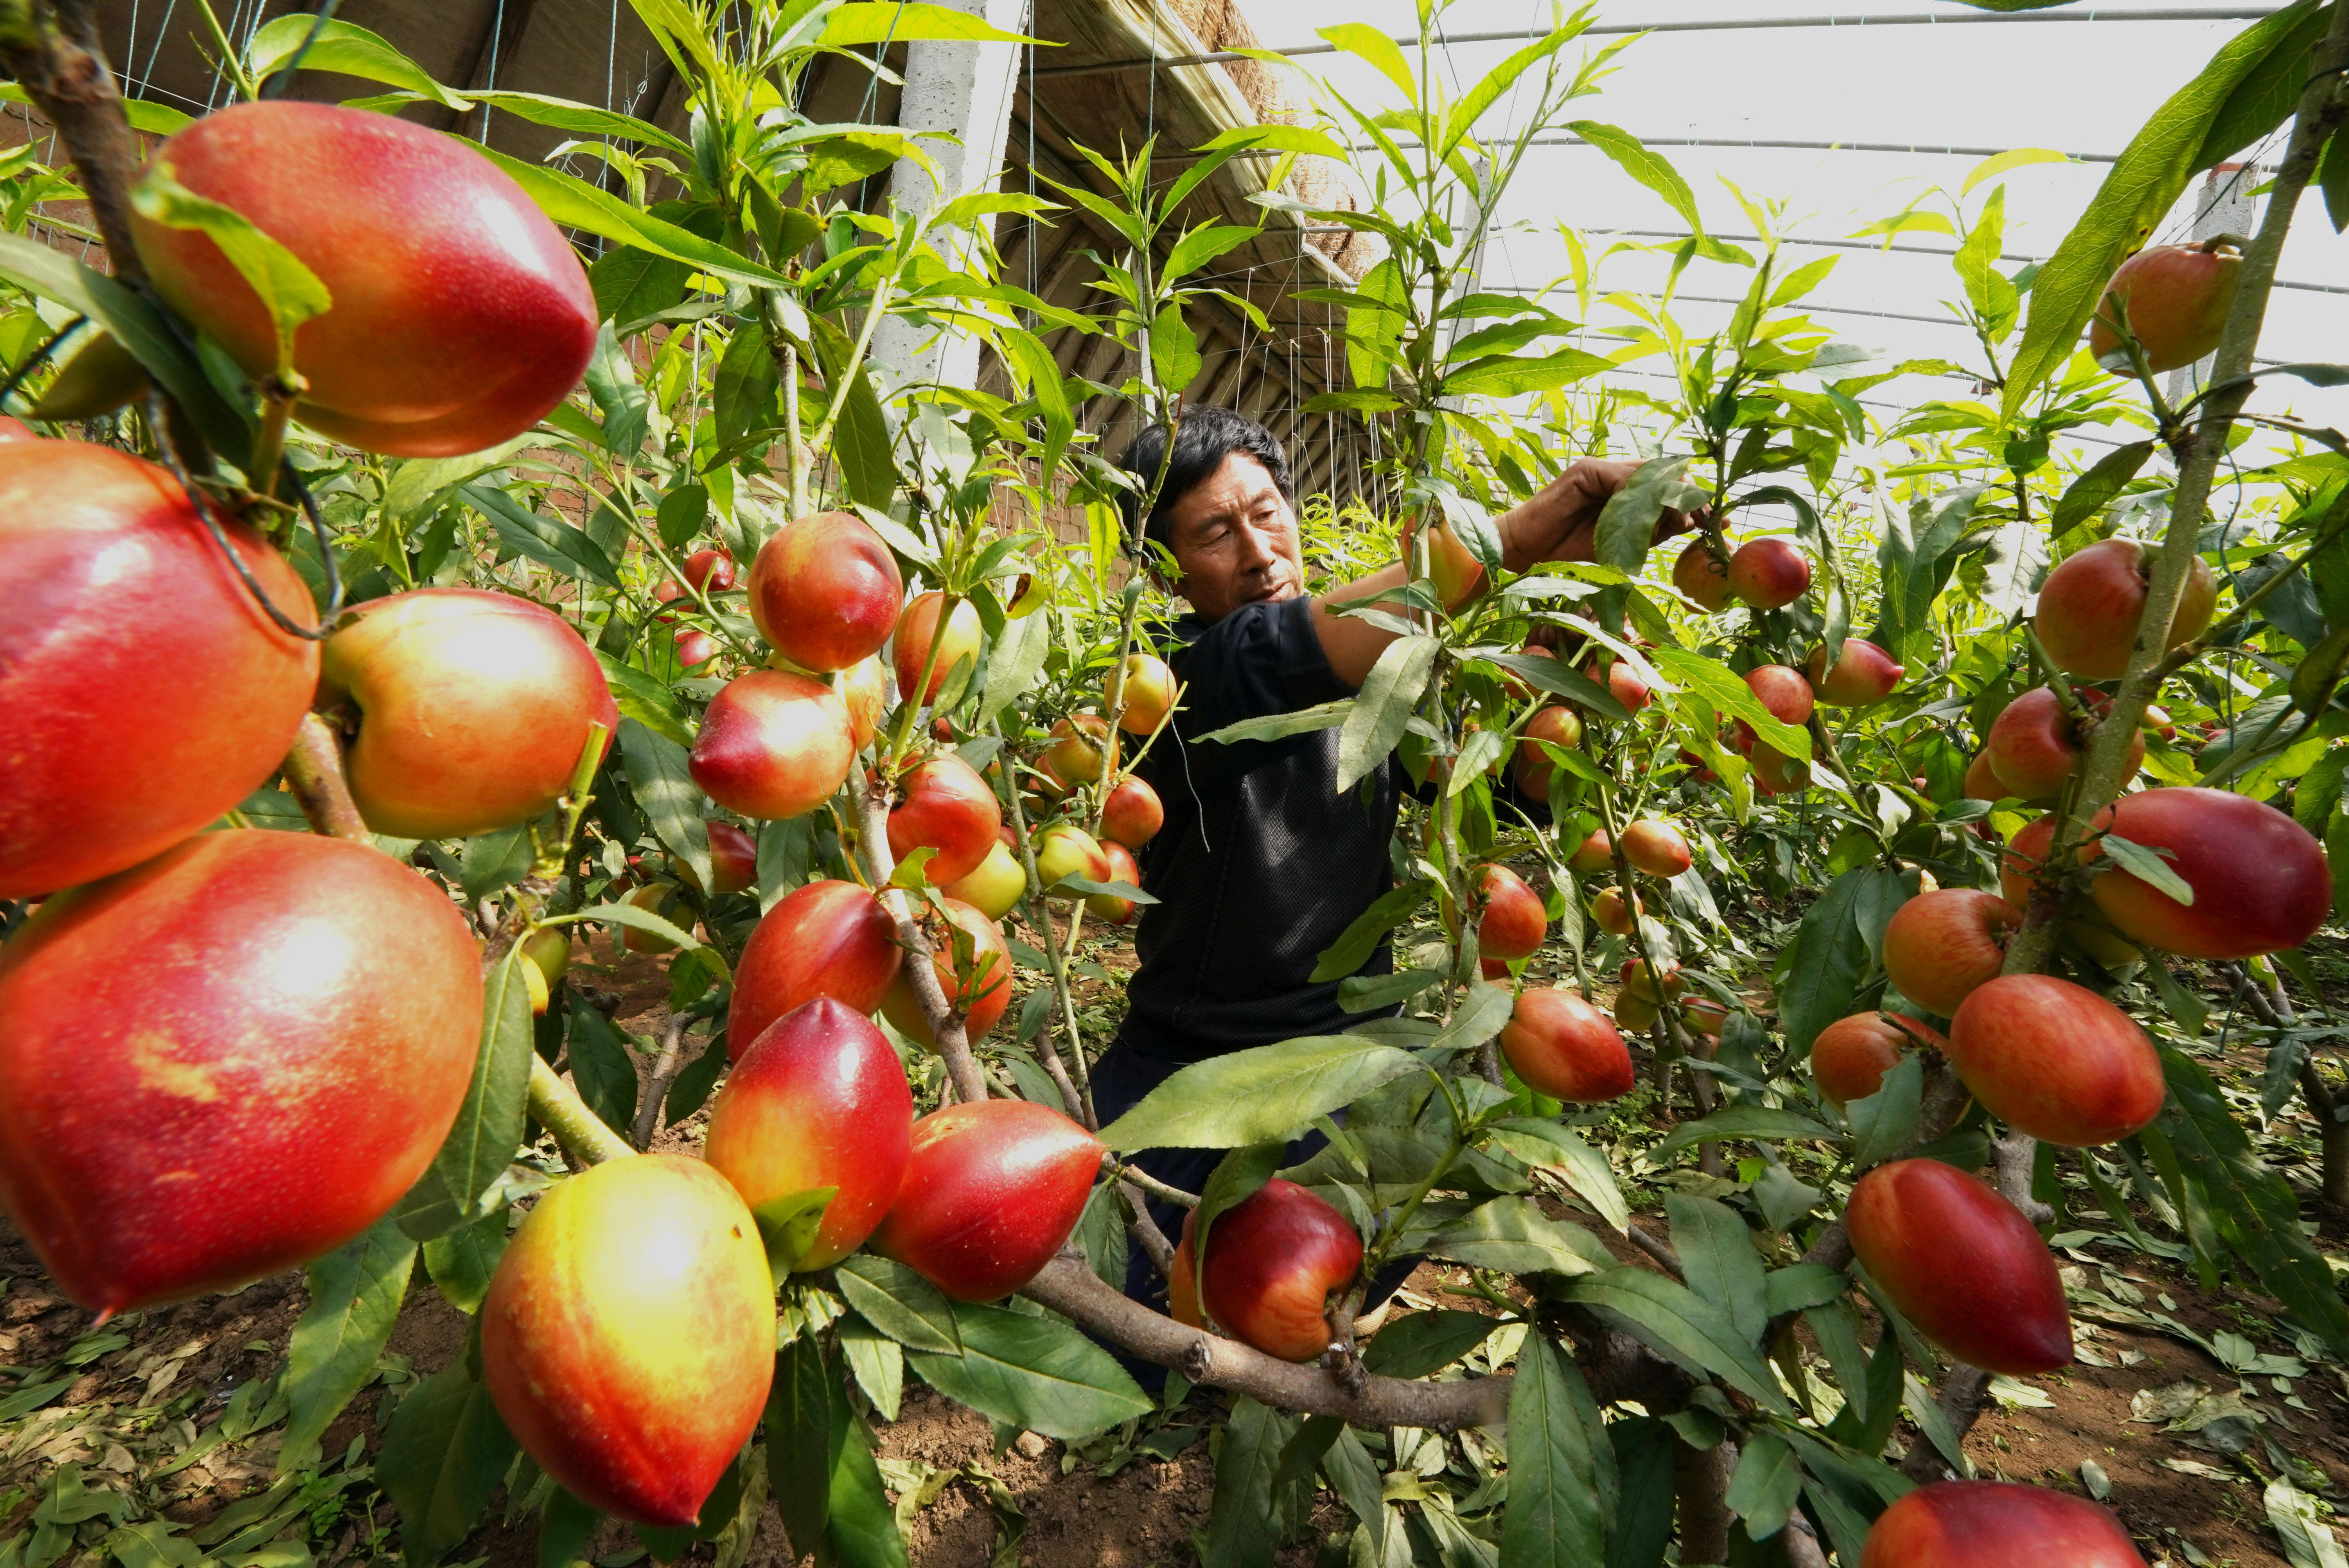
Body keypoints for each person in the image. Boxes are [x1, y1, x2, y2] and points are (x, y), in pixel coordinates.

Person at [1088, 405, 1695, 1336]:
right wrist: (1533, 523)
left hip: (1350, 1060)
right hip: (1195, 1062)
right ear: (1166, 567)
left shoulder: (1387, 670)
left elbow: (1509, 787)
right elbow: (1296, 647)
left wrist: (1570, 640)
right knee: (1123, 1332)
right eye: (1215, 531)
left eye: (1266, 511)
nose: (1257, 551)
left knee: (1317, 1280)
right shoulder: (1174, 677)